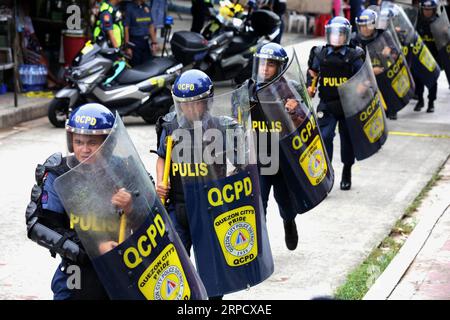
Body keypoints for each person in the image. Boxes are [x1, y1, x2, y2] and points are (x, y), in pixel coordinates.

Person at [25, 103, 134, 300]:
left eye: (92, 142)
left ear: (108, 142)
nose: (84, 149)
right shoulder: (58, 173)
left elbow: (154, 215)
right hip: (76, 269)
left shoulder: (124, 168)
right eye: (78, 142)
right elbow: (39, 226)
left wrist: (131, 205)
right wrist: (93, 247)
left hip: (122, 267)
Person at [155, 69, 242, 299]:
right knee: (174, 263)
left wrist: (235, 176)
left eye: (196, 104)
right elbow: (163, 157)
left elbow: (242, 164)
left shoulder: (222, 127)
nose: (190, 109)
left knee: (212, 272)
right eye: (184, 104)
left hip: (212, 209)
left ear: (208, 102)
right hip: (179, 207)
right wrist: (160, 185)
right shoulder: (170, 126)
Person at [241, 42, 309, 250]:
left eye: (270, 65)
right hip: (260, 154)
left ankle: (289, 222)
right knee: (257, 203)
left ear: (280, 67)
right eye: (262, 64)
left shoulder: (291, 89)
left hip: (284, 154)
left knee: (285, 201)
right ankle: (260, 247)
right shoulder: (248, 89)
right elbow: (239, 122)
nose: (265, 69)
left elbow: (306, 122)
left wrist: (296, 110)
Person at [306, 17, 365, 191]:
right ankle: (326, 173)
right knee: (324, 137)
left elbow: (363, 77)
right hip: (327, 103)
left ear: (346, 35)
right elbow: (313, 72)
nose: (336, 38)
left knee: (347, 140)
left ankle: (347, 170)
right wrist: (310, 86)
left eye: (340, 34)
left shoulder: (355, 55)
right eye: (333, 33)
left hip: (348, 105)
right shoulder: (319, 53)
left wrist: (362, 87)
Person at [351, 8, 400, 120]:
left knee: (387, 81)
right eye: (362, 26)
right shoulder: (354, 39)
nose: (365, 29)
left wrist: (389, 53)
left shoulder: (384, 35)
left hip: (383, 70)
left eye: (367, 25)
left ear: (374, 24)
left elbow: (396, 55)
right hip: (363, 73)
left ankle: (392, 109)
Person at [414, 0, 440, 113]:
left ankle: (431, 102)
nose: (427, 12)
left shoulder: (439, 22)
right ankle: (420, 100)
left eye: (429, 10)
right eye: (425, 10)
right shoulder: (417, 21)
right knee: (418, 79)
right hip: (419, 56)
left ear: (434, 10)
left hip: (433, 57)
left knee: (433, 80)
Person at [124, 0, 160, 66]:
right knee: (136, 67)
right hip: (134, 43)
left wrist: (154, 42)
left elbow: (151, 25)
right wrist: (127, 47)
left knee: (147, 66)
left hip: (145, 42)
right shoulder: (129, 8)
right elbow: (126, 28)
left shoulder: (147, 7)